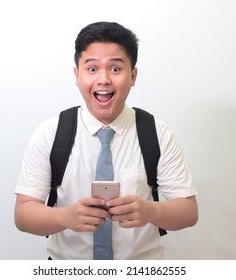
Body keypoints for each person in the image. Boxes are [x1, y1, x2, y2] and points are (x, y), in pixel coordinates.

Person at [14, 21, 198, 260]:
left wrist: (151, 210)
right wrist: (66, 217)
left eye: (115, 69)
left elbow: (188, 212)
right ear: (76, 75)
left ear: (133, 76)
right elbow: (22, 214)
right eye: (92, 69)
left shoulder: (157, 133)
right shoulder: (50, 133)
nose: (103, 79)